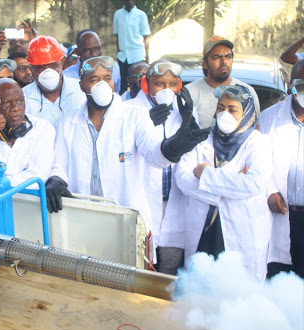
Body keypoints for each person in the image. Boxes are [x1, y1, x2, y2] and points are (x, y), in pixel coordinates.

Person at [46, 56, 209, 223]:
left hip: (125, 217)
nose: (102, 85)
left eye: (107, 78)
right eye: (94, 79)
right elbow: (60, 165)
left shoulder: (134, 115)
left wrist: (174, 147)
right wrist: (56, 180)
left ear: (114, 83)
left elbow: (153, 155)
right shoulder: (68, 122)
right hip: (82, 216)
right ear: (82, 86)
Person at [175, 85, 271, 282]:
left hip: (241, 229)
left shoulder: (257, 143)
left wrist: (205, 174)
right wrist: (230, 186)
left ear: (247, 114)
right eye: (221, 107)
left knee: (238, 292)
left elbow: (253, 184)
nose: (224, 113)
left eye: (232, 109)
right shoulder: (203, 139)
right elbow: (183, 179)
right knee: (200, 290)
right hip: (204, 230)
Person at [126, 60, 200, 275]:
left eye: (172, 84)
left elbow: (197, 150)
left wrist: (189, 118)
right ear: (147, 85)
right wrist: (148, 121)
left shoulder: (183, 111)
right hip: (144, 201)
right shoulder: (130, 111)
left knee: (169, 268)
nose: (167, 90)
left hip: (175, 202)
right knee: (139, 266)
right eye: (160, 84)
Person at [259, 60, 304, 279]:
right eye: (301, 85)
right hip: (281, 213)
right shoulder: (269, 118)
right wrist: (269, 190)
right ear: (290, 85)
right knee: (279, 279)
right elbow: (257, 161)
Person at [0, 78, 55, 186]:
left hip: (27, 200)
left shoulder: (43, 128)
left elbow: (37, 177)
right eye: (7, 103)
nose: (15, 108)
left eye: (20, 101)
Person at [185, 35, 260, 129]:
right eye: (216, 57)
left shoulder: (247, 92)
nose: (224, 61)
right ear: (205, 64)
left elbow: (255, 128)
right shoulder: (189, 93)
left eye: (228, 56)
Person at [23, 36, 86, 128]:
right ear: (31, 69)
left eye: (53, 66)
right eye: (41, 68)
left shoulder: (81, 90)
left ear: (61, 63)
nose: (48, 73)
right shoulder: (22, 98)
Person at [63, 30, 121, 95]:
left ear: (101, 47)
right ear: (78, 51)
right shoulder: (66, 76)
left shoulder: (113, 67)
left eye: (97, 49)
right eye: (87, 50)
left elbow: (116, 93)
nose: (94, 54)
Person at [113, 0, 151, 94]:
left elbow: (146, 36)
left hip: (137, 55)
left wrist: (147, 56)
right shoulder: (118, 14)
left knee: (138, 84)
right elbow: (117, 36)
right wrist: (118, 53)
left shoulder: (141, 15)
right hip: (123, 56)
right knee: (123, 84)